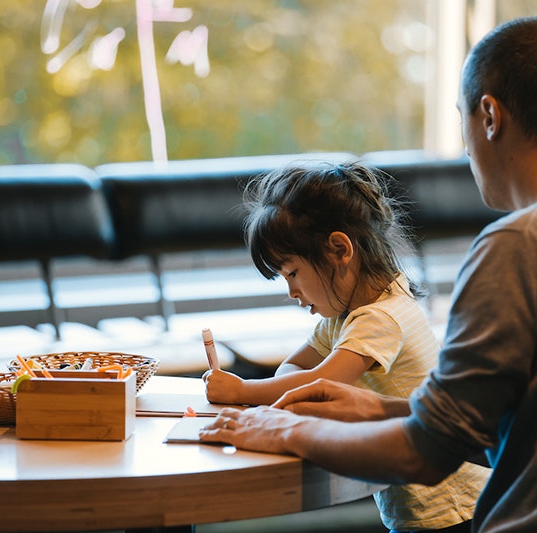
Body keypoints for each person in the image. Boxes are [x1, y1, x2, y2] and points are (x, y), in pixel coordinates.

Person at [200, 16, 537, 532]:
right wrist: (377, 409)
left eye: (462, 120)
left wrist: (281, 430)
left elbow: (425, 455)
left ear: (490, 116)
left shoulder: (519, 245)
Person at [203, 161, 489, 532]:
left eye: (292, 273)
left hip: (452, 506)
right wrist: (295, 390)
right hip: (422, 509)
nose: (291, 292)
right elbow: (292, 370)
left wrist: (242, 389)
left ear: (340, 249)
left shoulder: (382, 317)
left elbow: (324, 382)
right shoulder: (345, 316)